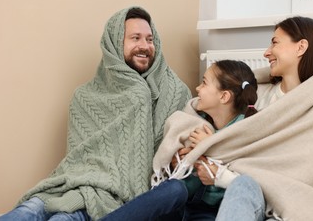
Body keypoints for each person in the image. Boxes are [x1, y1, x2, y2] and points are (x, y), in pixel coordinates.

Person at [0, 6, 191, 221]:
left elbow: (175, 159)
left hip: (117, 197)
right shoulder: (85, 96)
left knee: (62, 219)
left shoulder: (174, 93)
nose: (144, 46)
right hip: (74, 182)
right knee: (29, 209)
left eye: (150, 39)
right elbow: (78, 160)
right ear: (115, 44)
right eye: (135, 38)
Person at [192, 16, 313, 221]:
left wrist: (215, 155)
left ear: (300, 47)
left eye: (275, 42)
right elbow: (219, 123)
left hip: (289, 206)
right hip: (249, 196)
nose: (266, 52)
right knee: (243, 188)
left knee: (243, 185)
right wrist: (207, 143)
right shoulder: (256, 95)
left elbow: (304, 177)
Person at [100, 59, 259, 220]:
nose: (197, 88)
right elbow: (174, 169)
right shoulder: (195, 122)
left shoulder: (247, 131)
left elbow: (252, 184)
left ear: (224, 96)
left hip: (211, 212)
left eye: (204, 83)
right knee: (175, 188)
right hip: (181, 204)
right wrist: (178, 163)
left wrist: (211, 146)